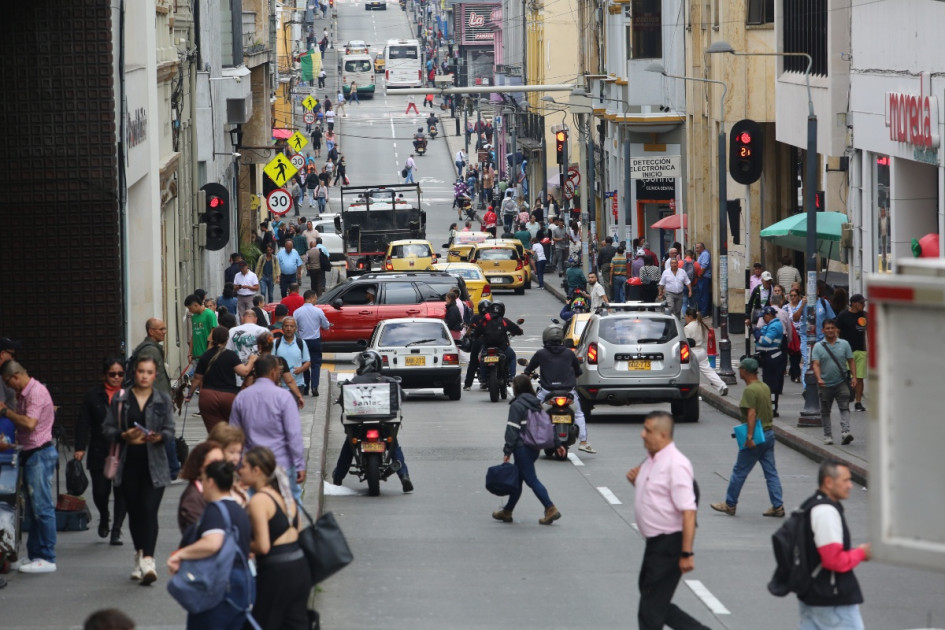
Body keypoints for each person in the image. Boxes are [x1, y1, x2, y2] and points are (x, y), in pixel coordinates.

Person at [626, 411, 710, 630]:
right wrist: (638, 482)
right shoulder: (652, 459)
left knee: (650, 612)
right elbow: (658, 496)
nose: (642, 434)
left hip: (669, 544)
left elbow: (689, 511)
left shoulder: (676, 464)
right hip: (655, 544)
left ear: (663, 435)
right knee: (653, 600)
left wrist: (686, 553)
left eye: (648, 430)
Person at [103, 356, 175, 585]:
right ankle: (139, 554)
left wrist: (159, 436)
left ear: (155, 375)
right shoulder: (121, 399)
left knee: (148, 510)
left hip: (155, 464)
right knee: (134, 513)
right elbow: (107, 428)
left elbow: (170, 431)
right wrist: (123, 435)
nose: (144, 375)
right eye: (141, 371)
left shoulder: (162, 400)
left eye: (149, 372)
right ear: (135, 373)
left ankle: (149, 561)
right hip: (128, 463)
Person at [167, 461, 254, 630]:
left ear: (211, 482)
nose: (202, 485)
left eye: (204, 480)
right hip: (243, 584)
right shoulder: (238, 510)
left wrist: (180, 554)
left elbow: (212, 543)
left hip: (221, 586)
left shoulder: (215, 510)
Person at [241, 447, 313, 629]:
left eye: (244, 467)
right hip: (300, 568)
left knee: (261, 623)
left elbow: (263, 546)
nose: (239, 470)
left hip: (276, 572)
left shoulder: (259, 500)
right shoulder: (286, 496)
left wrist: (242, 545)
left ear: (256, 471)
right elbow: (298, 531)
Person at [796, 460, 871, 629]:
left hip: (812, 595)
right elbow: (833, 560)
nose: (850, 485)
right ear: (828, 482)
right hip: (832, 599)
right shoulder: (826, 512)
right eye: (845, 480)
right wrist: (861, 553)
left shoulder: (810, 504)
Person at [1, 360, 58, 573]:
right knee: (34, 508)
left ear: (15, 376)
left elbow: (30, 423)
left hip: (39, 454)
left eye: (8, 383)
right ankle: (35, 554)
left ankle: (47, 556)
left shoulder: (35, 393)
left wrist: (6, 412)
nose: (9, 387)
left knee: (42, 507)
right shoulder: (25, 394)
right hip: (31, 453)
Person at [710, 357, 785, 518]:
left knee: (740, 471)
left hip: (756, 435)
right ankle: (778, 505)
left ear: (745, 371)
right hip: (768, 433)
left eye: (740, 369)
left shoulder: (750, 391)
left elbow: (751, 414)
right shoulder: (763, 386)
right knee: (771, 472)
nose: (739, 372)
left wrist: (749, 436)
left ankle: (730, 504)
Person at [331, 351, 413, 491]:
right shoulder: (389, 381)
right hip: (385, 422)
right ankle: (404, 476)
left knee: (349, 446)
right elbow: (402, 396)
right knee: (393, 445)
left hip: (358, 423)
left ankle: (338, 477)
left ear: (366, 365)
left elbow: (344, 400)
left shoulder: (353, 382)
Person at [229, 356, 306, 502]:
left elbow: (234, 434)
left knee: (251, 504)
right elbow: (293, 434)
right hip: (281, 464)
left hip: (252, 464)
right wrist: (299, 463)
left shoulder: (242, 397)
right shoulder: (284, 397)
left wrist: (237, 463)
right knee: (291, 503)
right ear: (273, 372)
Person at [491, 375, 565, 525]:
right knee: (517, 481)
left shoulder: (517, 405)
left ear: (516, 388)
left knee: (531, 480)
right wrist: (558, 444)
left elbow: (512, 429)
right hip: (534, 448)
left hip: (522, 447)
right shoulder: (536, 404)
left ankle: (550, 508)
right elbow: (548, 425)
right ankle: (507, 511)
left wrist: (507, 451)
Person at [75, 356, 129, 546]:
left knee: (122, 492)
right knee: (100, 491)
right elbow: (83, 422)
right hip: (100, 449)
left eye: (120, 374)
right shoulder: (93, 396)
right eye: (112, 374)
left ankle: (116, 530)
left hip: (124, 450)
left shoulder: (129, 395)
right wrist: (80, 447)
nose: (116, 377)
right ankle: (105, 516)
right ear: (104, 375)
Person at [524, 324, 594, 453]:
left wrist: (527, 374)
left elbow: (528, 369)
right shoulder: (569, 353)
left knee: (533, 412)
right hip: (568, 392)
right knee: (578, 414)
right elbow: (578, 371)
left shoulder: (541, 353)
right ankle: (583, 442)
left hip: (547, 392)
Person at [187, 327, 255, 432]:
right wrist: (251, 360)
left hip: (208, 396)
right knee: (230, 430)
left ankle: (216, 446)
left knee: (213, 432)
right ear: (227, 339)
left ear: (213, 339)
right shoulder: (231, 355)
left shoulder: (205, 356)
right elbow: (244, 372)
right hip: (228, 396)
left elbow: (197, 378)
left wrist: (189, 395)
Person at [812, 319, 857, 446]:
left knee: (844, 407)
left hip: (841, 382)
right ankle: (827, 435)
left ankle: (845, 432)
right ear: (823, 330)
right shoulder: (818, 346)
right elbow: (816, 364)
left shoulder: (844, 344)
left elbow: (851, 361)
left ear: (836, 330)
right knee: (825, 411)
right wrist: (819, 378)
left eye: (832, 328)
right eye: (827, 328)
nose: (830, 330)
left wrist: (854, 377)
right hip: (825, 384)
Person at [176, 440, 224, 534]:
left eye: (222, 462)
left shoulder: (219, 488)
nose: (221, 467)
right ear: (200, 466)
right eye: (214, 462)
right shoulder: (193, 498)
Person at [295, 289, 331, 397]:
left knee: (304, 364)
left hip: (302, 342)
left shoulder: (297, 312)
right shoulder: (318, 311)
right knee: (316, 364)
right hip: (315, 341)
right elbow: (325, 325)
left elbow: (294, 327)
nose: (316, 300)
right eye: (315, 298)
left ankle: (305, 388)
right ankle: (314, 386)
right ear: (310, 298)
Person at [683, 309, 727, 396]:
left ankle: (691, 391)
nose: (685, 318)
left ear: (690, 316)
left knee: (689, 372)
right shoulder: (701, 325)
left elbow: (688, 342)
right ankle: (722, 385)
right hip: (701, 351)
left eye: (686, 316)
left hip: (692, 351)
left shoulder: (687, 328)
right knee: (708, 371)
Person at [836, 294, 868, 412]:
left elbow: (869, 331)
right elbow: (836, 331)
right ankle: (845, 401)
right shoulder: (843, 315)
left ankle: (858, 402)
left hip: (860, 350)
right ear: (854, 303)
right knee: (846, 377)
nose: (863, 305)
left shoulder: (865, 315)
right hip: (846, 350)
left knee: (859, 378)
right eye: (861, 303)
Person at [756, 305, 788, 417]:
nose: (763, 319)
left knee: (771, 385)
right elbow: (763, 331)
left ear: (769, 315)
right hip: (769, 357)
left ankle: (773, 408)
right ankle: (770, 407)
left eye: (764, 316)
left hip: (772, 358)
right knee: (767, 384)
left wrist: (758, 336)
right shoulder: (771, 325)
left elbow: (766, 341)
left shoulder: (775, 326)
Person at [131, 318, 172, 393]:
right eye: (161, 329)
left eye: (165, 329)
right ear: (151, 331)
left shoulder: (153, 348)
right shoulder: (150, 351)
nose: (164, 332)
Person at [273, 317, 312, 396]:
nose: (289, 328)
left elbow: (307, 362)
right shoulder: (276, 343)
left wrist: (301, 369)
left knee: (294, 408)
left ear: (295, 329)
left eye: (292, 326)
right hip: (280, 386)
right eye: (286, 326)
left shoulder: (301, 343)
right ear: (282, 328)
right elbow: (270, 362)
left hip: (297, 385)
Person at [185, 294, 218, 365]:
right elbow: (194, 335)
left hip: (207, 356)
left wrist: (208, 353)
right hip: (196, 356)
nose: (190, 311)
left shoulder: (210, 314)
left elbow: (213, 333)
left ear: (196, 305)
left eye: (190, 308)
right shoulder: (193, 317)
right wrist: (190, 353)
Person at [693, 242, 712, 315]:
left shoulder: (705, 254)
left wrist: (700, 274)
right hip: (701, 277)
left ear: (702, 248)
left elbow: (704, 265)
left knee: (703, 294)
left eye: (698, 248)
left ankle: (704, 312)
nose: (696, 250)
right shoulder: (701, 255)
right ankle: (702, 310)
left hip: (703, 277)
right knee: (700, 294)